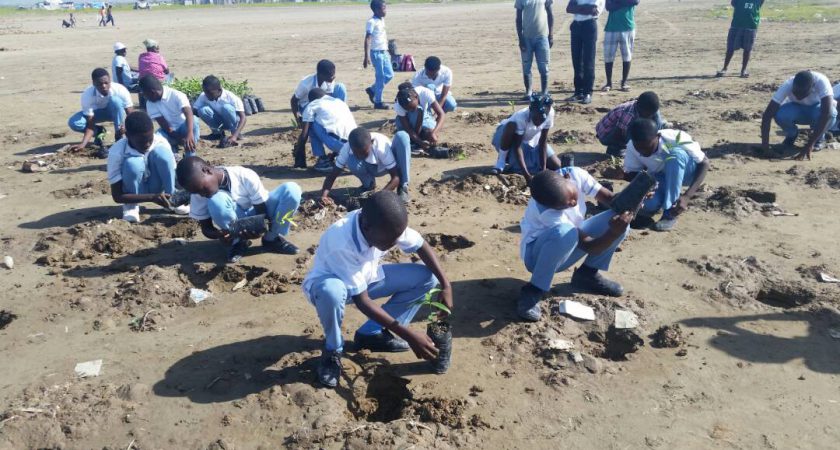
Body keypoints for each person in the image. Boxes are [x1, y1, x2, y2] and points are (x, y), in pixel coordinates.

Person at [303, 190, 453, 388]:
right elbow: (362, 301)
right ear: (366, 227)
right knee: (332, 292)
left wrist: (446, 284)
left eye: (397, 238)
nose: (394, 244)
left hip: (368, 276)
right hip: (329, 285)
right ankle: (333, 350)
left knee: (427, 278)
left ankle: (371, 334)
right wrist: (408, 335)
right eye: (390, 240)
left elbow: (420, 245)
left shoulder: (387, 225)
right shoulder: (341, 241)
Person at [517, 170, 632, 321]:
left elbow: (610, 199)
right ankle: (534, 289)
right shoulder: (545, 209)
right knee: (567, 232)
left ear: (567, 178)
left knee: (618, 220)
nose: (573, 203)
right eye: (565, 205)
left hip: (569, 238)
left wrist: (635, 196)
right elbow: (589, 245)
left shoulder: (576, 173)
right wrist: (613, 232)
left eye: (571, 197)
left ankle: (587, 274)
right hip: (537, 257)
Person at [176, 156, 302, 263]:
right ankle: (237, 242)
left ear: (207, 170)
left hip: (260, 212)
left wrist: (259, 229)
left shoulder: (244, 175)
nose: (202, 194)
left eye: (202, 189)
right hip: (235, 224)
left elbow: (262, 210)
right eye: (197, 192)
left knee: (292, 189)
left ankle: (272, 238)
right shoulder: (198, 192)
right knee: (216, 200)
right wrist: (220, 235)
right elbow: (206, 228)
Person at [623, 118, 709, 231]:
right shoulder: (632, 146)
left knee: (674, 155)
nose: (643, 152)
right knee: (648, 205)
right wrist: (622, 176)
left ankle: (670, 213)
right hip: (661, 176)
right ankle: (661, 201)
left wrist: (687, 196)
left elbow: (705, 163)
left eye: (647, 146)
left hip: (688, 173)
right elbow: (634, 174)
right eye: (639, 148)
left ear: (658, 137)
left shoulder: (675, 138)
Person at [107, 111, 189, 223]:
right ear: (127, 136)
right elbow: (117, 196)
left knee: (163, 154)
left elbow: (172, 174)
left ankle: (172, 199)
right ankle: (131, 207)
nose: (147, 144)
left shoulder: (161, 142)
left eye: (150, 139)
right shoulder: (116, 152)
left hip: (158, 187)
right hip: (132, 191)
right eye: (141, 141)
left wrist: (183, 194)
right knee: (132, 164)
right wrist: (152, 197)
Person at [319, 127, 412, 204]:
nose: (360, 156)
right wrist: (324, 195)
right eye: (357, 153)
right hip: (371, 167)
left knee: (402, 136)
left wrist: (379, 197)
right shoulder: (347, 148)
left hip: (388, 166)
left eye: (364, 153)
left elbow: (395, 177)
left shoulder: (381, 146)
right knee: (351, 160)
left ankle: (403, 187)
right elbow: (332, 175)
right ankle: (368, 186)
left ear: (371, 143)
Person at [760, 70, 837, 160]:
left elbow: (826, 113)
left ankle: (819, 139)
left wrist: (809, 145)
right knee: (779, 114)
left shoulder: (822, 82)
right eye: (796, 92)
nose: (798, 96)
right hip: (796, 109)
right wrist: (765, 147)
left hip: (817, 111)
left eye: (802, 93)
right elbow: (767, 115)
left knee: (831, 113)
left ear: (812, 87)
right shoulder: (788, 84)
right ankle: (791, 135)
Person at [491, 94, 561, 181]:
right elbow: (518, 147)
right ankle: (501, 161)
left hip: (532, 138)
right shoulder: (521, 117)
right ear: (530, 110)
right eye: (535, 118)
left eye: (541, 120)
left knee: (557, 165)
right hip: (508, 138)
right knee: (511, 125)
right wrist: (527, 176)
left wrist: (543, 171)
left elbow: (543, 142)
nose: (538, 122)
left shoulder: (550, 113)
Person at [68, 68, 134, 155]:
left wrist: (126, 128)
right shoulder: (87, 94)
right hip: (96, 114)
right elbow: (90, 125)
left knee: (116, 101)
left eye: (106, 83)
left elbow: (132, 116)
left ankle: (119, 137)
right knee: (74, 122)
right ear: (93, 83)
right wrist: (83, 144)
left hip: (115, 112)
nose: (103, 86)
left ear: (110, 81)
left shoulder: (120, 90)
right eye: (99, 84)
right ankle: (99, 131)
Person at [294, 88, 357, 172]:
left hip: (338, 144)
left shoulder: (312, 104)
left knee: (310, 123)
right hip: (356, 145)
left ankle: (323, 161)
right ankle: (341, 157)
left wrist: (299, 152)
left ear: (311, 100)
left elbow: (304, 134)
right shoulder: (339, 102)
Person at [139, 75, 200, 156]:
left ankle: (190, 155)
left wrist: (189, 133)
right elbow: (165, 126)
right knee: (156, 138)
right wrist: (178, 138)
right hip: (169, 132)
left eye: (144, 94)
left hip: (184, 128)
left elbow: (189, 113)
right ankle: (172, 151)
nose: (144, 96)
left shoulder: (176, 95)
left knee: (194, 120)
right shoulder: (150, 103)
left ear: (152, 92)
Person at [595, 91, 664, 157]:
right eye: (648, 114)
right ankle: (614, 148)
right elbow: (619, 132)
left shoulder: (649, 109)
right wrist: (636, 149)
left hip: (620, 129)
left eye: (651, 113)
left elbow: (655, 119)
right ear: (638, 108)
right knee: (634, 131)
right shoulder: (628, 114)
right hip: (606, 134)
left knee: (656, 117)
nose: (650, 116)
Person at [566, 0, 605, 104]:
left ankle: (588, 92)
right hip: (576, 26)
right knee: (576, 61)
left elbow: (593, 10)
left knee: (588, 61)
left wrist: (577, 8)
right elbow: (569, 8)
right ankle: (578, 92)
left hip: (589, 25)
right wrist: (585, 8)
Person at [193, 75, 247, 148]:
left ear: (219, 89)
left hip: (233, 122)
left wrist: (234, 136)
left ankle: (235, 133)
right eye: (205, 92)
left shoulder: (231, 97)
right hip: (219, 122)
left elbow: (243, 117)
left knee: (227, 108)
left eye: (210, 93)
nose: (207, 95)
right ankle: (217, 133)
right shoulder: (204, 95)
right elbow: (194, 111)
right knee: (202, 110)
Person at [515, 0, 554, 99]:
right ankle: (528, 92)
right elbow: (518, 19)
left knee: (543, 66)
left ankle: (544, 91)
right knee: (526, 65)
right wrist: (520, 38)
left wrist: (551, 35)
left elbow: (550, 15)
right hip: (526, 38)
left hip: (542, 37)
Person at [291, 60, 347, 126]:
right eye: (331, 76)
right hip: (307, 105)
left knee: (340, 87)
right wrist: (298, 119)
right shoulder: (305, 84)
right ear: (320, 75)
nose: (334, 77)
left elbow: (328, 96)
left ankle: (339, 118)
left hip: (321, 102)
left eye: (334, 74)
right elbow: (294, 100)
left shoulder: (329, 80)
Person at [716, 0, 764, 78]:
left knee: (747, 49)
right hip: (737, 23)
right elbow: (733, 3)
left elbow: (759, 5)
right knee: (730, 47)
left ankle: (743, 70)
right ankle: (724, 68)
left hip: (751, 25)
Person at [394, 83, 446, 151]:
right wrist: (420, 143)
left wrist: (434, 133)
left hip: (424, 114)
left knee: (430, 134)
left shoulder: (425, 92)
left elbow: (441, 114)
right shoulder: (398, 105)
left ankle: (419, 135)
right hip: (406, 119)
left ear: (416, 96)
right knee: (405, 136)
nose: (411, 110)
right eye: (407, 109)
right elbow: (408, 129)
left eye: (412, 108)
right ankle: (414, 138)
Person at [601, 0, 638, 92]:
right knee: (608, 57)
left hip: (628, 27)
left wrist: (617, 2)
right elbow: (609, 7)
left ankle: (624, 82)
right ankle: (609, 83)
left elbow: (635, 1)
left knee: (627, 56)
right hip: (611, 28)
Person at [363, 0, 393, 109]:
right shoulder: (371, 22)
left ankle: (372, 89)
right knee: (380, 78)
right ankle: (378, 102)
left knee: (390, 75)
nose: (385, 10)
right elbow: (367, 39)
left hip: (384, 52)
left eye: (385, 8)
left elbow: (382, 37)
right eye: (383, 8)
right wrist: (367, 56)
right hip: (376, 53)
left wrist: (388, 50)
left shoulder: (382, 20)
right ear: (376, 10)